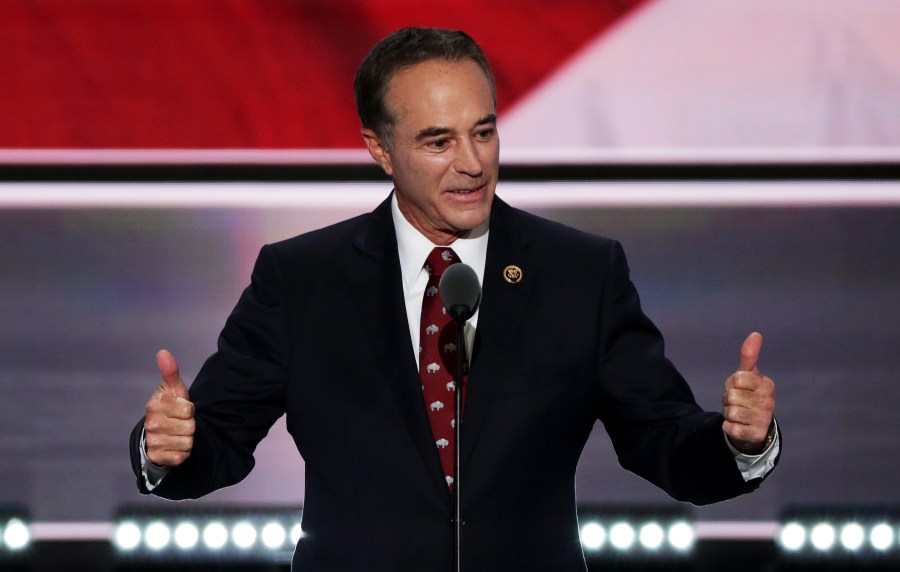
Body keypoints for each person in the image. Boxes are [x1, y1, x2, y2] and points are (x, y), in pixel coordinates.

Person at [131, 27, 779, 571]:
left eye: (485, 132)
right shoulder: (301, 279)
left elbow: (665, 443)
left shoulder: (579, 273)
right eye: (439, 141)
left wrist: (737, 443)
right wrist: (172, 447)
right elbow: (215, 443)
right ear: (380, 150)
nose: (471, 163)